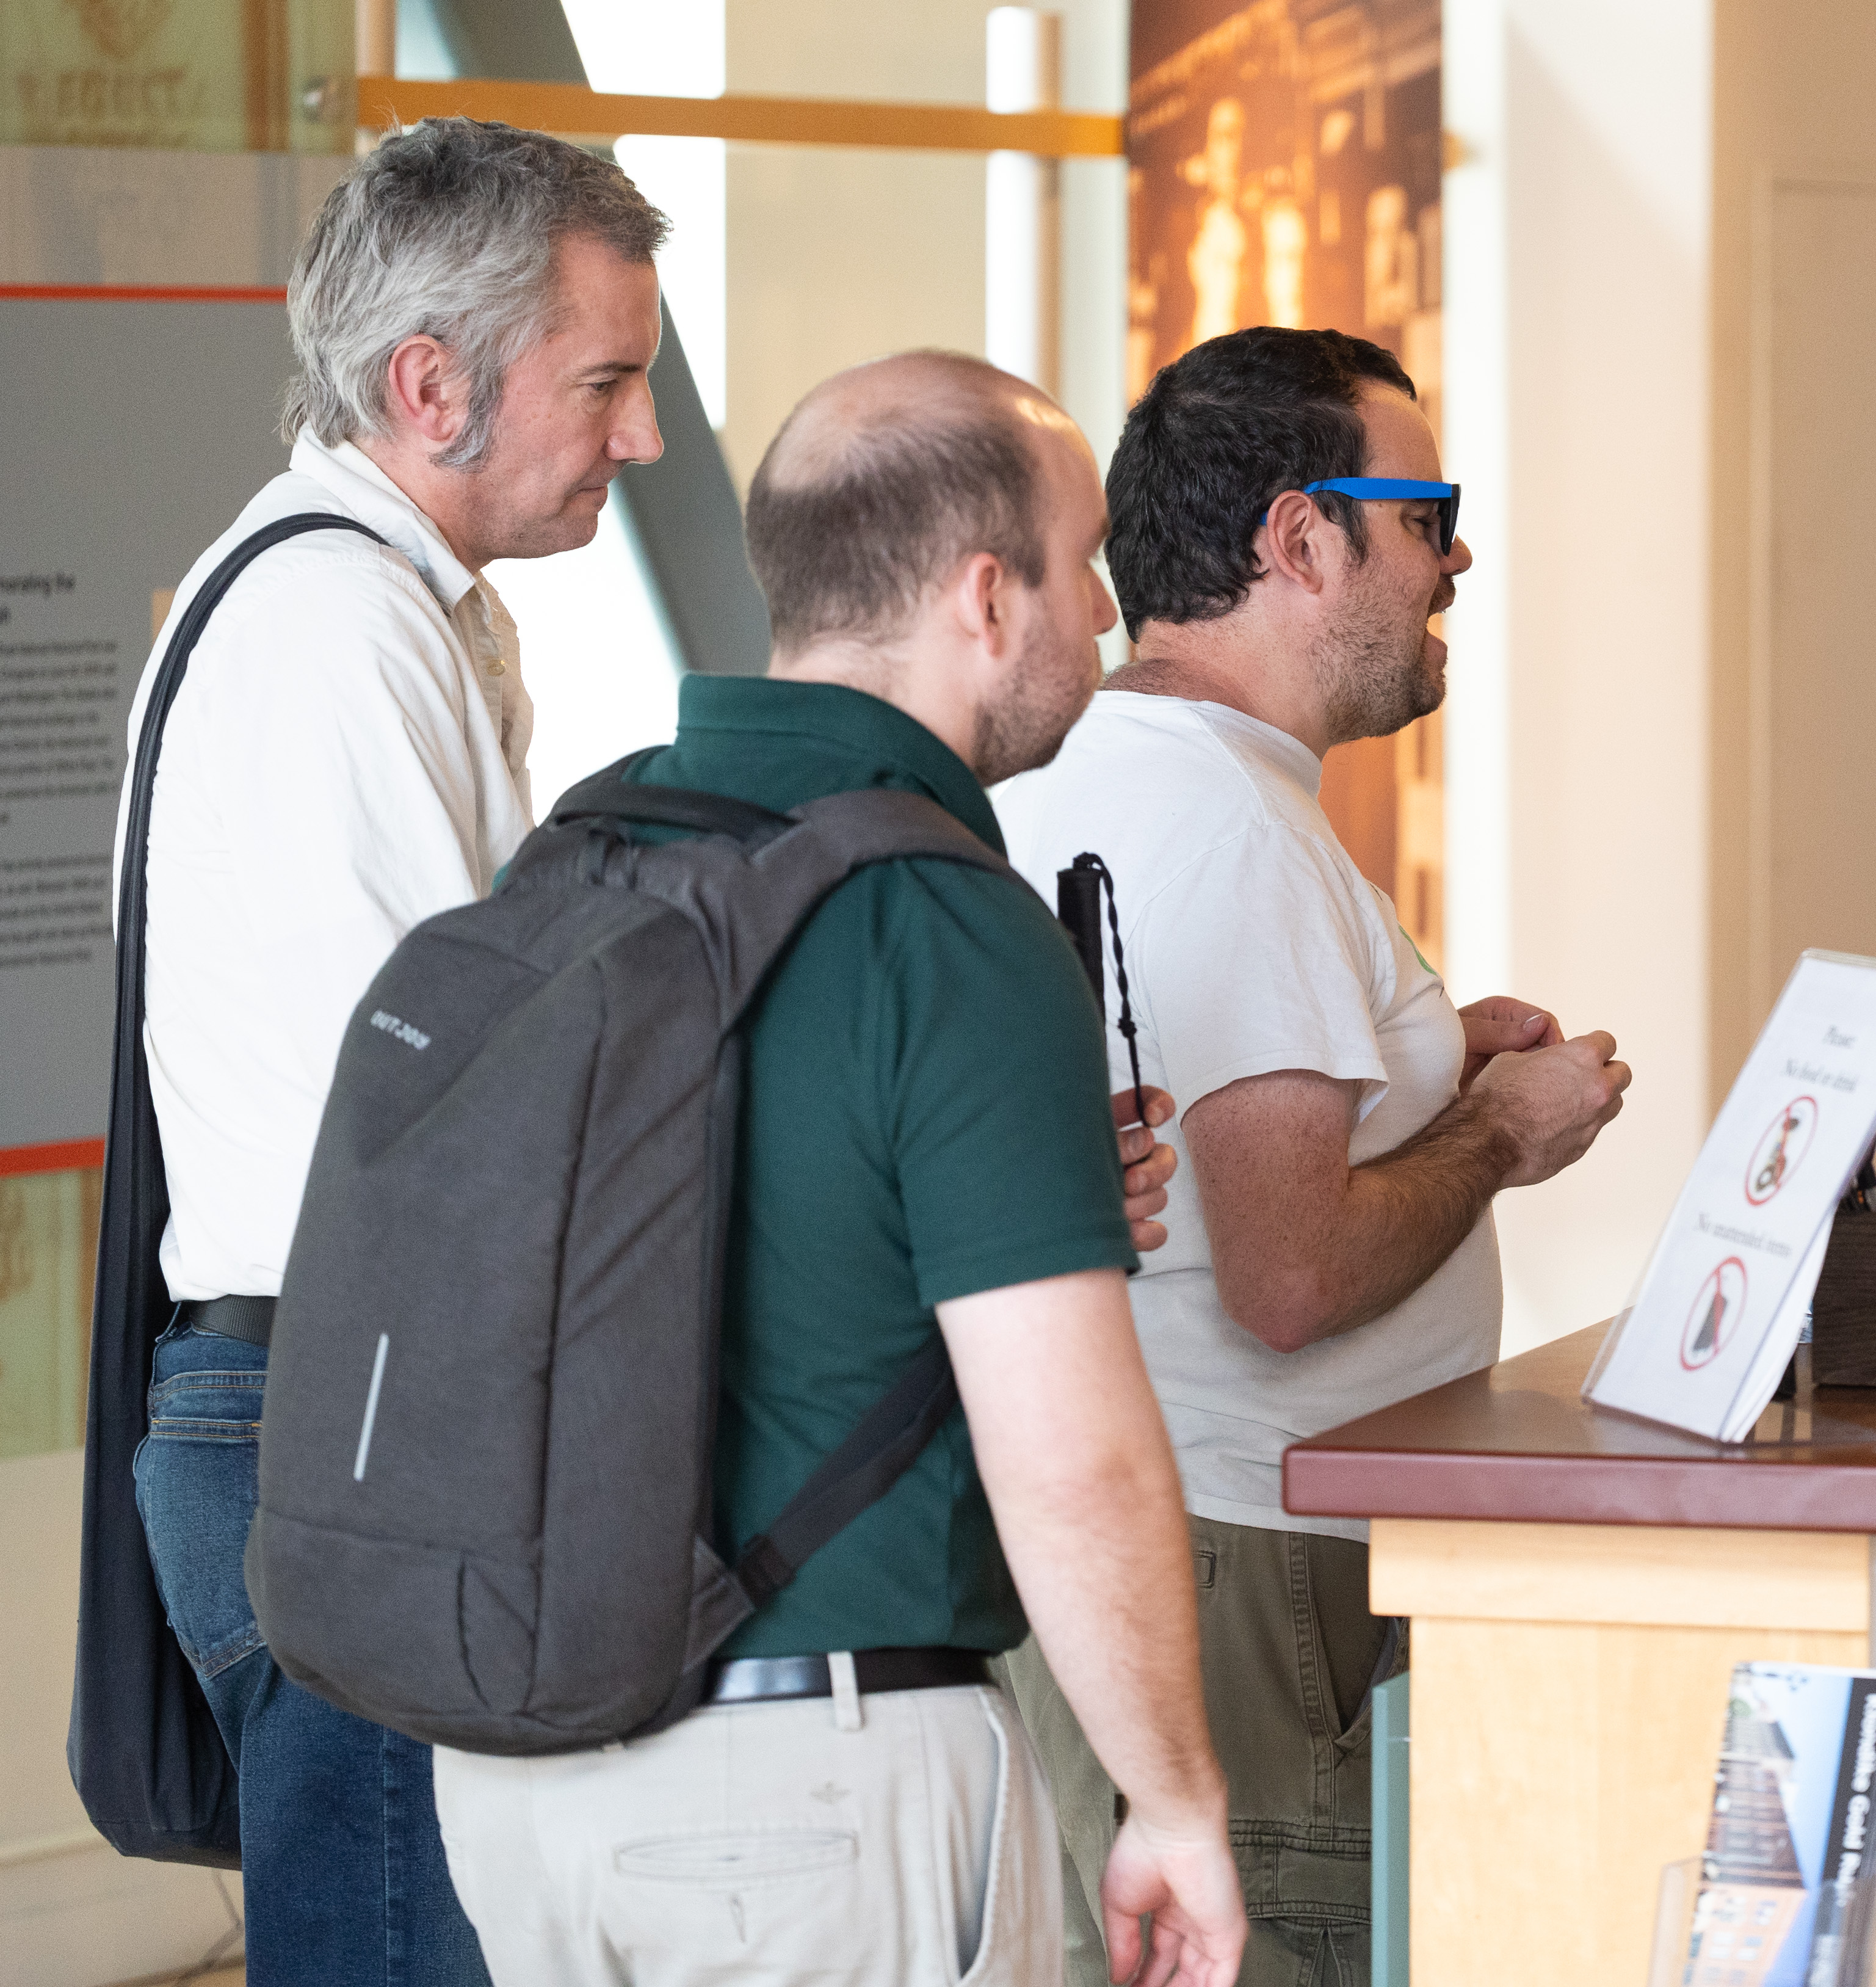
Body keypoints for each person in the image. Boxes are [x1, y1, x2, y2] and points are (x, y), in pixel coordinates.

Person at [423, 351, 1244, 1985]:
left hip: (520, 1786)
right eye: (1083, 563)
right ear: (986, 596)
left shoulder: (580, 850)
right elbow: (1071, 1450)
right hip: (808, 1790)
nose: (1106, 613)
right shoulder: (938, 917)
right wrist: (1175, 1796)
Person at [991, 325, 1631, 1984]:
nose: (1457, 557)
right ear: (1299, 540)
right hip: (1253, 1564)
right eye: (1427, 513)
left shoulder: (1112, 771)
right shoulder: (1227, 824)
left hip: (1182, 1540)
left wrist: (1422, 1072)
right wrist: (1496, 1130)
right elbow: (1286, 1275)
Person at [112, 117, 670, 1985]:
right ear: (429, 385)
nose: (644, 435)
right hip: (355, 1431)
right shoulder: (335, 628)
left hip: (332, 1418)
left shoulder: (364, 608)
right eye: (608, 381)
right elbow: (464, 1116)